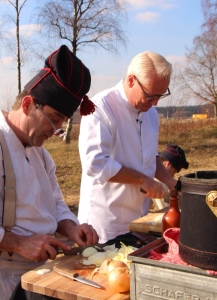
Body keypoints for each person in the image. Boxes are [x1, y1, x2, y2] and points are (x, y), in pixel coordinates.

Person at [0, 45, 98, 300]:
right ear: (27, 104)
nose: (57, 130)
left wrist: (70, 226)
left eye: (62, 123)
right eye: (54, 119)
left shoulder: (40, 153)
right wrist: (18, 243)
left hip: (41, 277)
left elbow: (54, 203)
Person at [77, 51, 177, 248]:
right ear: (131, 80)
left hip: (140, 222)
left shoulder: (151, 114)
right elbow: (96, 164)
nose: (155, 102)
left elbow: (151, 155)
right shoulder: (101, 108)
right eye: (150, 95)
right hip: (105, 225)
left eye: (160, 96)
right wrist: (142, 179)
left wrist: (170, 182)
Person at [151, 144, 189, 210]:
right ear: (167, 164)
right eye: (174, 171)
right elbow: (166, 211)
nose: (173, 175)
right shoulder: (157, 181)